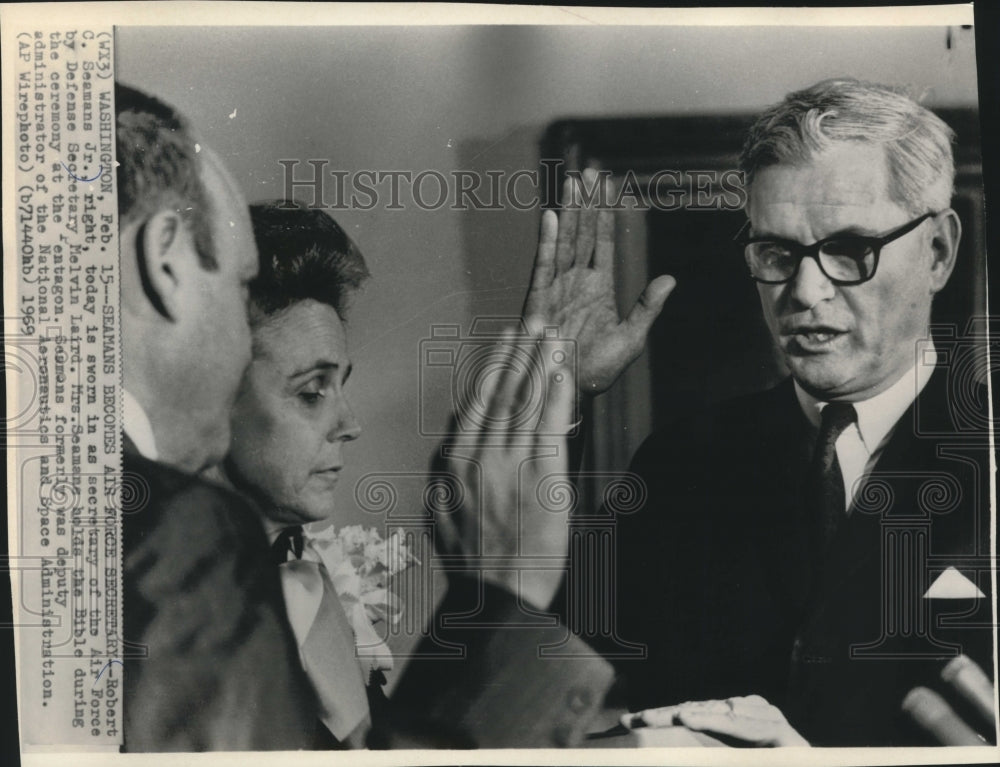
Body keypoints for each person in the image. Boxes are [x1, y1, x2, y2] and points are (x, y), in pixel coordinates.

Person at [527, 78, 993, 746]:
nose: (804, 292)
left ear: (939, 252)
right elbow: (558, 699)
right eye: (778, 253)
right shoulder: (680, 463)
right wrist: (556, 401)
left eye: (848, 249)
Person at [215, 200, 621, 748]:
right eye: (312, 392)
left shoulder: (311, 578)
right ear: (209, 393)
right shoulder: (176, 621)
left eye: (342, 386)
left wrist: (553, 382)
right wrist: (495, 594)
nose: (350, 424)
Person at [116, 83, 314, 750]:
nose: (248, 340)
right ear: (165, 261)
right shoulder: (179, 532)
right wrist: (495, 595)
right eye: (242, 284)